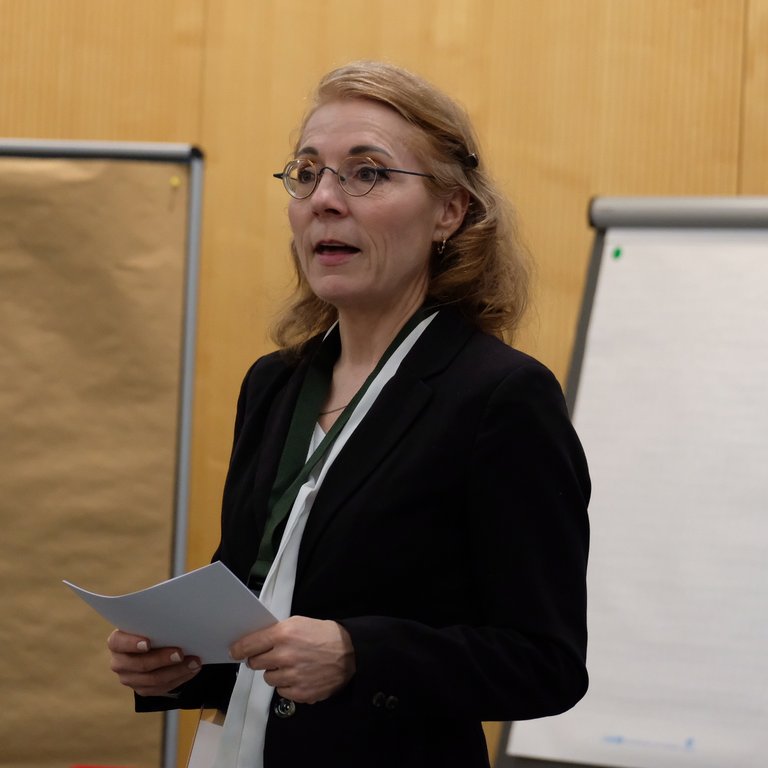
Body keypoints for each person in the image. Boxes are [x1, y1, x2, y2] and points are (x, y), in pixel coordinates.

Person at [107, 60, 590, 768]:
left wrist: (360, 654)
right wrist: (179, 663)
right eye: (307, 173)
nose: (325, 200)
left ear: (450, 212)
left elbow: (547, 663)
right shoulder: (274, 384)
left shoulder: (500, 398)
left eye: (367, 173)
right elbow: (258, 609)